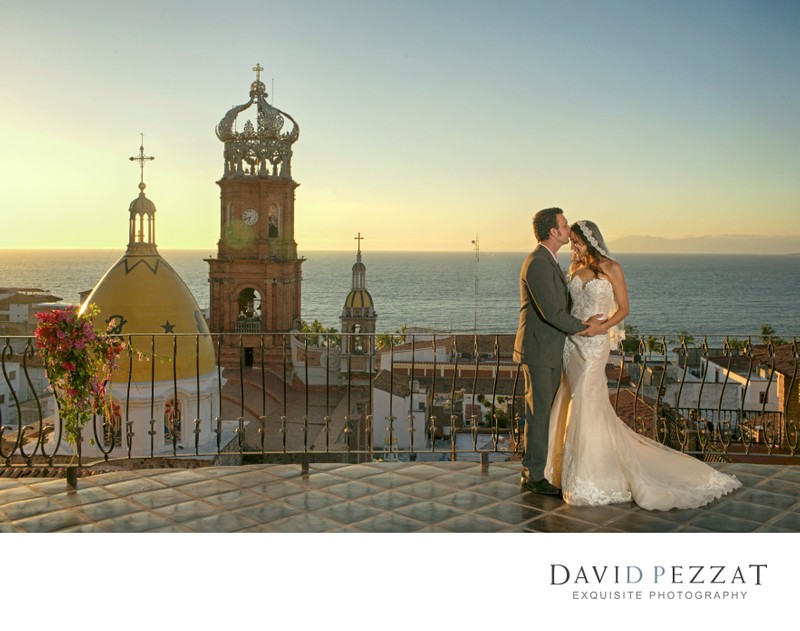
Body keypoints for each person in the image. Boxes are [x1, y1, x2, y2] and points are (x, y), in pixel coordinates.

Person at [544, 220, 741, 510]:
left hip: (595, 346)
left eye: (578, 241)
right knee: (577, 402)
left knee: (587, 401)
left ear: (592, 239)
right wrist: (575, 328)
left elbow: (624, 308)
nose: (574, 246)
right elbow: (570, 308)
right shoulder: (573, 268)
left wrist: (602, 329)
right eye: (572, 241)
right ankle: (570, 471)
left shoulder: (612, 268)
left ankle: (593, 477)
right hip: (572, 345)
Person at [514, 208, 605, 495]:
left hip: (551, 350)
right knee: (538, 413)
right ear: (553, 232)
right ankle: (533, 476)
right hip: (540, 351)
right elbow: (552, 312)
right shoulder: (538, 263)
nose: (568, 230)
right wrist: (584, 328)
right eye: (564, 226)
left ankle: (540, 470)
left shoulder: (548, 260)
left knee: (545, 412)